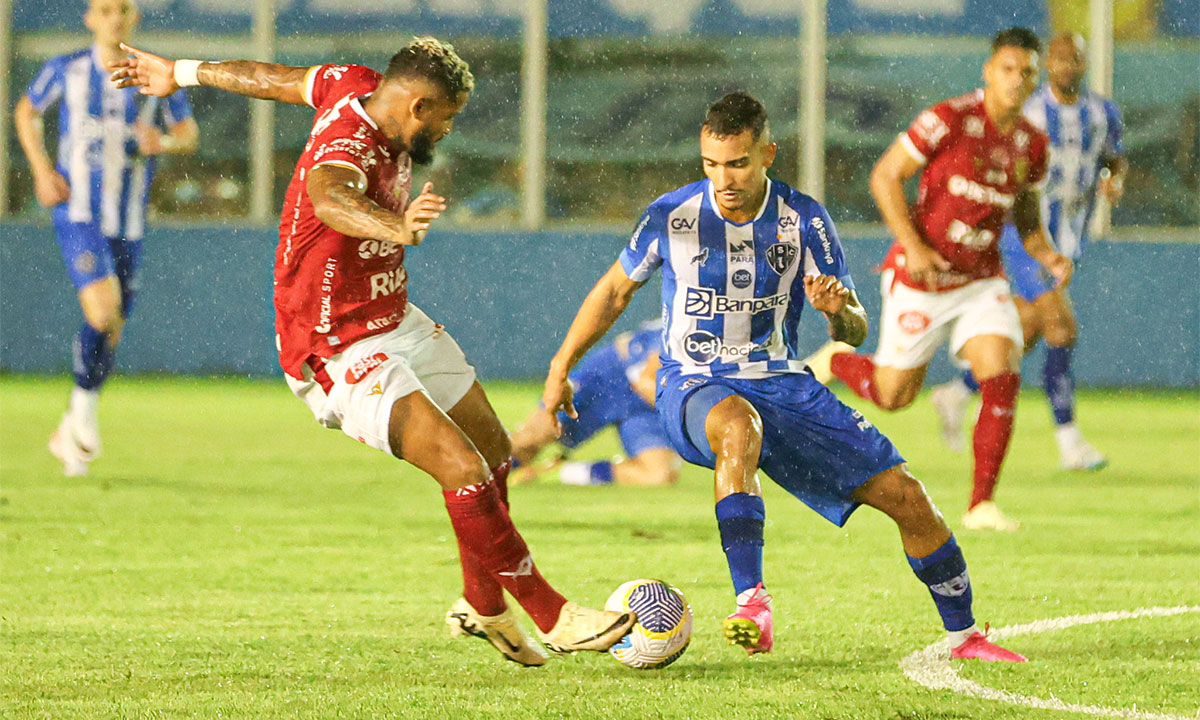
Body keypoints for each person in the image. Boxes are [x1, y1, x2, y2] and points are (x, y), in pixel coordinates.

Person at [110, 36, 634, 667]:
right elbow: (330, 198)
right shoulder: (348, 146)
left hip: (392, 317)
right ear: (417, 106)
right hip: (334, 346)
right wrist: (397, 227)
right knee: (459, 469)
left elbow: (274, 78)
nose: (447, 129)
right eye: (446, 116)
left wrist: (182, 72)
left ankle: (480, 602)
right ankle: (554, 615)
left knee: (494, 455)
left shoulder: (350, 81)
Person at [542, 91, 1026, 662]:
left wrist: (835, 310)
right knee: (737, 428)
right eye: (711, 164)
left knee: (908, 497)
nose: (723, 178)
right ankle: (752, 601)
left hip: (783, 383)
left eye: (738, 163)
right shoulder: (672, 216)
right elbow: (615, 291)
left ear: (767, 153)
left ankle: (965, 636)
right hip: (692, 382)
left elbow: (855, 331)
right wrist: (560, 366)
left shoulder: (804, 221)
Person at [807, 28, 1072, 532]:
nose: (1017, 80)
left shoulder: (1033, 144)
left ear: (1036, 80)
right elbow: (885, 175)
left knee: (1001, 368)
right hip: (922, 279)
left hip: (980, 281)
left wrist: (1045, 253)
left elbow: (1026, 212)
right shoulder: (949, 119)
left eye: (1027, 73)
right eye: (1008, 69)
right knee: (893, 396)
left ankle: (981, 505)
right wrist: (913, 245)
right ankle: (837, 361)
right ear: (988, 71)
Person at [14, 0, 198, 477]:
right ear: (90, 19)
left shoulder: (154, 73)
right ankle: (83, 414)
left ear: (133, 18)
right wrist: (41, 170)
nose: (114, 17)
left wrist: (166, 142)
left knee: (113, 324)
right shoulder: (67, 70)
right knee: (102, 312)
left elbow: (188, 133)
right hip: (78, 212)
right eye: (104, 9)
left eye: (122, 9)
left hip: (129, 220)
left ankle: (73, 426)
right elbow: (26, 112)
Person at [929, 32, 1127, 472]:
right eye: (1057, 59)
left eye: (1073, 58)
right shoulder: (1031, 112)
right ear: (1048, 66)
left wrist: (1114, 179)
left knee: (1028, 330)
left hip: (1067, 238)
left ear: (1083, 62)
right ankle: (1070, 442)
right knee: (1062, 330)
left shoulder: (1102, 113)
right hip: (1023, 238)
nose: (1066, 66)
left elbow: (1114, 157)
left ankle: (957, 391)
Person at [510, 324, 681, 487]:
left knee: (658, 475)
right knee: (532, 438)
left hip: (645, 404)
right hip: (609, 377)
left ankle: (557, 472)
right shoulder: (688, 325)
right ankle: (488, 475)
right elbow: (646, 381)